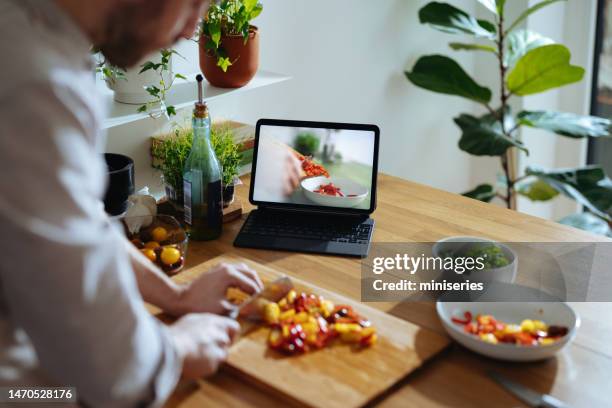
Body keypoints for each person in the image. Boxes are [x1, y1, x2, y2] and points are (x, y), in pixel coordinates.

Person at [0, 0, 264, 406]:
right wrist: (177, 349)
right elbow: (112, 373)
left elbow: (84, 228)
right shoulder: (32, 80)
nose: (192, 29)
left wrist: (177, 297)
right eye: (194, 3)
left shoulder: (35, 38)